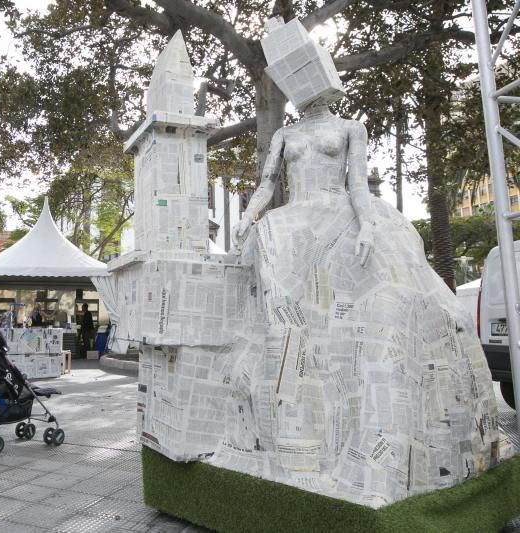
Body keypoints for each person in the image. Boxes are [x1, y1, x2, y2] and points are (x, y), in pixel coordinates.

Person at [210, 17, 500, 507]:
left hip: (338, 213)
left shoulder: (350, 128)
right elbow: (265, 185)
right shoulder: (284, 134)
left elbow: (358, 187)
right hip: (293, 220)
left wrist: (367, 225)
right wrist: (251, 216)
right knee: (282, 293)